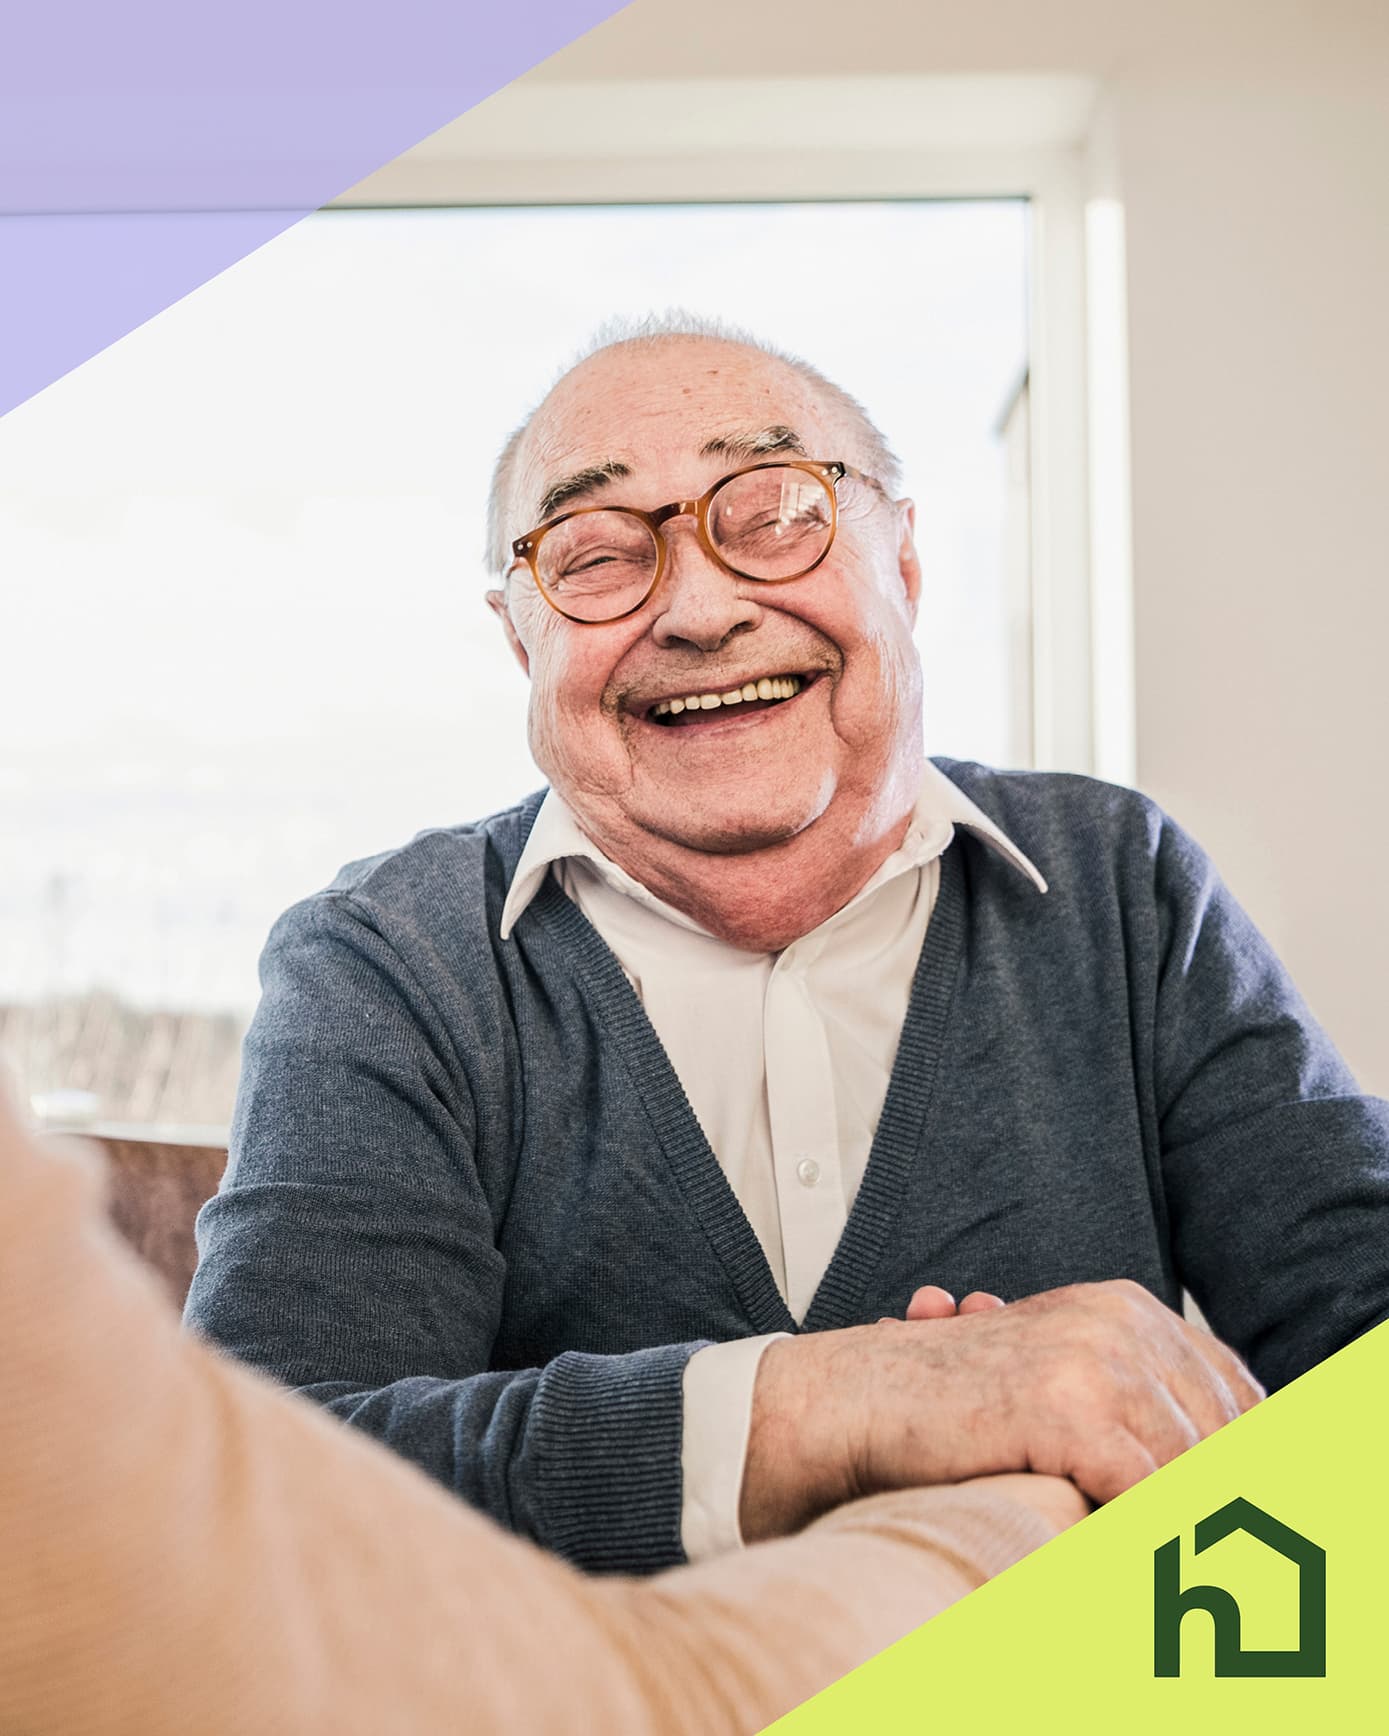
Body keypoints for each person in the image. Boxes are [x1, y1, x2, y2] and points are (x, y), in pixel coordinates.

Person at [185, 316, 1389, 1576]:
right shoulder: (384, 960)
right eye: (596, 554)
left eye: (773, 515)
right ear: (521, 637)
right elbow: (263, 1485)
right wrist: (844, 1401)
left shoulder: (1122, 881)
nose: (701, 609)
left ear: (906, 565)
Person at [0, 1085, 1089, 1736]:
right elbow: (258, 1561)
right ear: (522, 677)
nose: (709, 676)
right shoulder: (382, 948)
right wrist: (972, 1480)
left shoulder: (1135, 887)